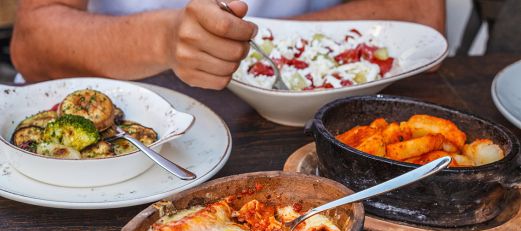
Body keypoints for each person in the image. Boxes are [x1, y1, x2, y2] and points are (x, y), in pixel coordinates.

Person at [10, 0, 445, 89]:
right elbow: (33, 43)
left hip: (327, 115)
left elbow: (421, 15)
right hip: (123, 118)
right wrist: (163, 39)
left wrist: (268, 37)